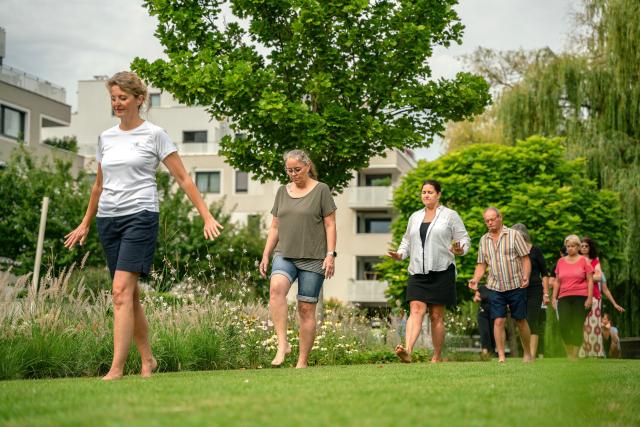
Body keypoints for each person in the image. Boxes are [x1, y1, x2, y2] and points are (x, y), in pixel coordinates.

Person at [64, 71, 223, 380]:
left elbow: (182, 177)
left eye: (123, 98)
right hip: (108, 219)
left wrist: (206, 214)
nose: (117, 103)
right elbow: (98, 185)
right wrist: (85, 222)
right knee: (129, 295)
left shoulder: (155, 134)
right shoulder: (106, 138)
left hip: (140, 215)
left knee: (120, 291)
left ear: (139, 99)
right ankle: (148, 360)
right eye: (113, 98)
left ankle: (117, 368)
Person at [259, 149, 337, 368]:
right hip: (285, 253)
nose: (293, 174)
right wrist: (266, 254)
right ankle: (282, 344)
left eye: (297, 169)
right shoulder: (282, 192)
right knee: (276, 290)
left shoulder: (321, 190)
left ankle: (302, 362)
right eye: (289, 170)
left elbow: (330, 224)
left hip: (314, 257)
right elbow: (275, 226)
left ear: (307, 166)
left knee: (305, 309)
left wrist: (330, 255)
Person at [387, 180, 470, 363]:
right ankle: (407, 351)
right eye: (423, 192)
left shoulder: (450, 215)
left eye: (430, 192)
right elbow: (407, 241)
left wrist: (460, 249)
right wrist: (400, 254)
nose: (426, 195)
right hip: (417, 270)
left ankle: (437, 356)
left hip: (442, 269)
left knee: (436, 315)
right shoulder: (415, 217)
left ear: (438, 194)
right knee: (415, 309)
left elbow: (464, 239)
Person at [468, 208, 533, 363]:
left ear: (500, 218)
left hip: (516, 284)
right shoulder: (484, 240)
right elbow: (481, 264)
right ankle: (502, 357)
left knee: (520, 320)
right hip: (495, 286)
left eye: (492, 219)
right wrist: (476, 279)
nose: (490, 223)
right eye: (487, 220)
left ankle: (528, 353)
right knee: (498, 320)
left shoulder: (514, 235)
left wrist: (526, 276)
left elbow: (525, 259)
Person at [579, 237, 625, 357]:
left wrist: (614, 304)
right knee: (582, 325)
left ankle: (596, 352)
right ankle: (583, 353)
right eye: (582, 246)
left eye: (586, 246)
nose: (583, 248)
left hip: (595, 297)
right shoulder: (577, 260)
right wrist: (589, 277)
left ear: (590, 248)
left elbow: (601, 282)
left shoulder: (595, 261)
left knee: (594, 326)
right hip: (580, 296)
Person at [511, 223, 550, 359]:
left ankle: (531, 355)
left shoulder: (535, 250)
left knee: (531, 320)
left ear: (524, 236)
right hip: (518, 289)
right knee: (521, 320)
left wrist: (546, 293)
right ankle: (526, 352)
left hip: (534, 289)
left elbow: (544, 273)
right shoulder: (513, 253)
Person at [551, 235, 594, 359]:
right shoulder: (560, 262)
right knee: (563, 325)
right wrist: (554, 298)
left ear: (578, 247)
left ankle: (574, 356)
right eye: (568, 246)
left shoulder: (584, 261)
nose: (570, 248)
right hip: (564, 297)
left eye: (573, 246)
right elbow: (557, 282)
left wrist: (590, 298)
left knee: (576, 325)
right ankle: (569, 353)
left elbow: (590, 280)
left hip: (581, 296)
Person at [473, 285, 495, 357]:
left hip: (493, 314)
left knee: (492, 333)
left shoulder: (497, 288)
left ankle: (492, 352)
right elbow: (476, 297)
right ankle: (484, 352)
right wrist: (477, 299)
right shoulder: (481, 288)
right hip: (482, 314)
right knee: (484, 332)